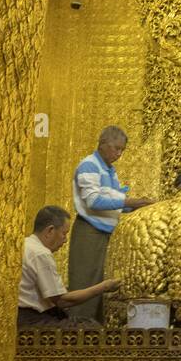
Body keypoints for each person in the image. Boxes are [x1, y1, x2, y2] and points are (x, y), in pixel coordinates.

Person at [68, 126, 154, 323]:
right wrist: (128, 202)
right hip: (89, 231)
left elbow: (115, 203)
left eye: (122, 150)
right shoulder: (89, 166)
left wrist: (139, 206)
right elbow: (93, 201)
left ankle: (94, 330)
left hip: (105, 233)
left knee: (101, 285)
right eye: (116, 148)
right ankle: (78, 331)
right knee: (86, 282)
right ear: (103, 144)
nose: (119, 154)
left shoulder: (110, 170)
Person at [18, 204, 120, 329]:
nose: (65, 240)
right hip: (31, 321)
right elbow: (63, 301)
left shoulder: (24, 244)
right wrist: (104, 286)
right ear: (50, 230)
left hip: (22, 316)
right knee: (91, 329)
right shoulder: (40, 253)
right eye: (64, 234)